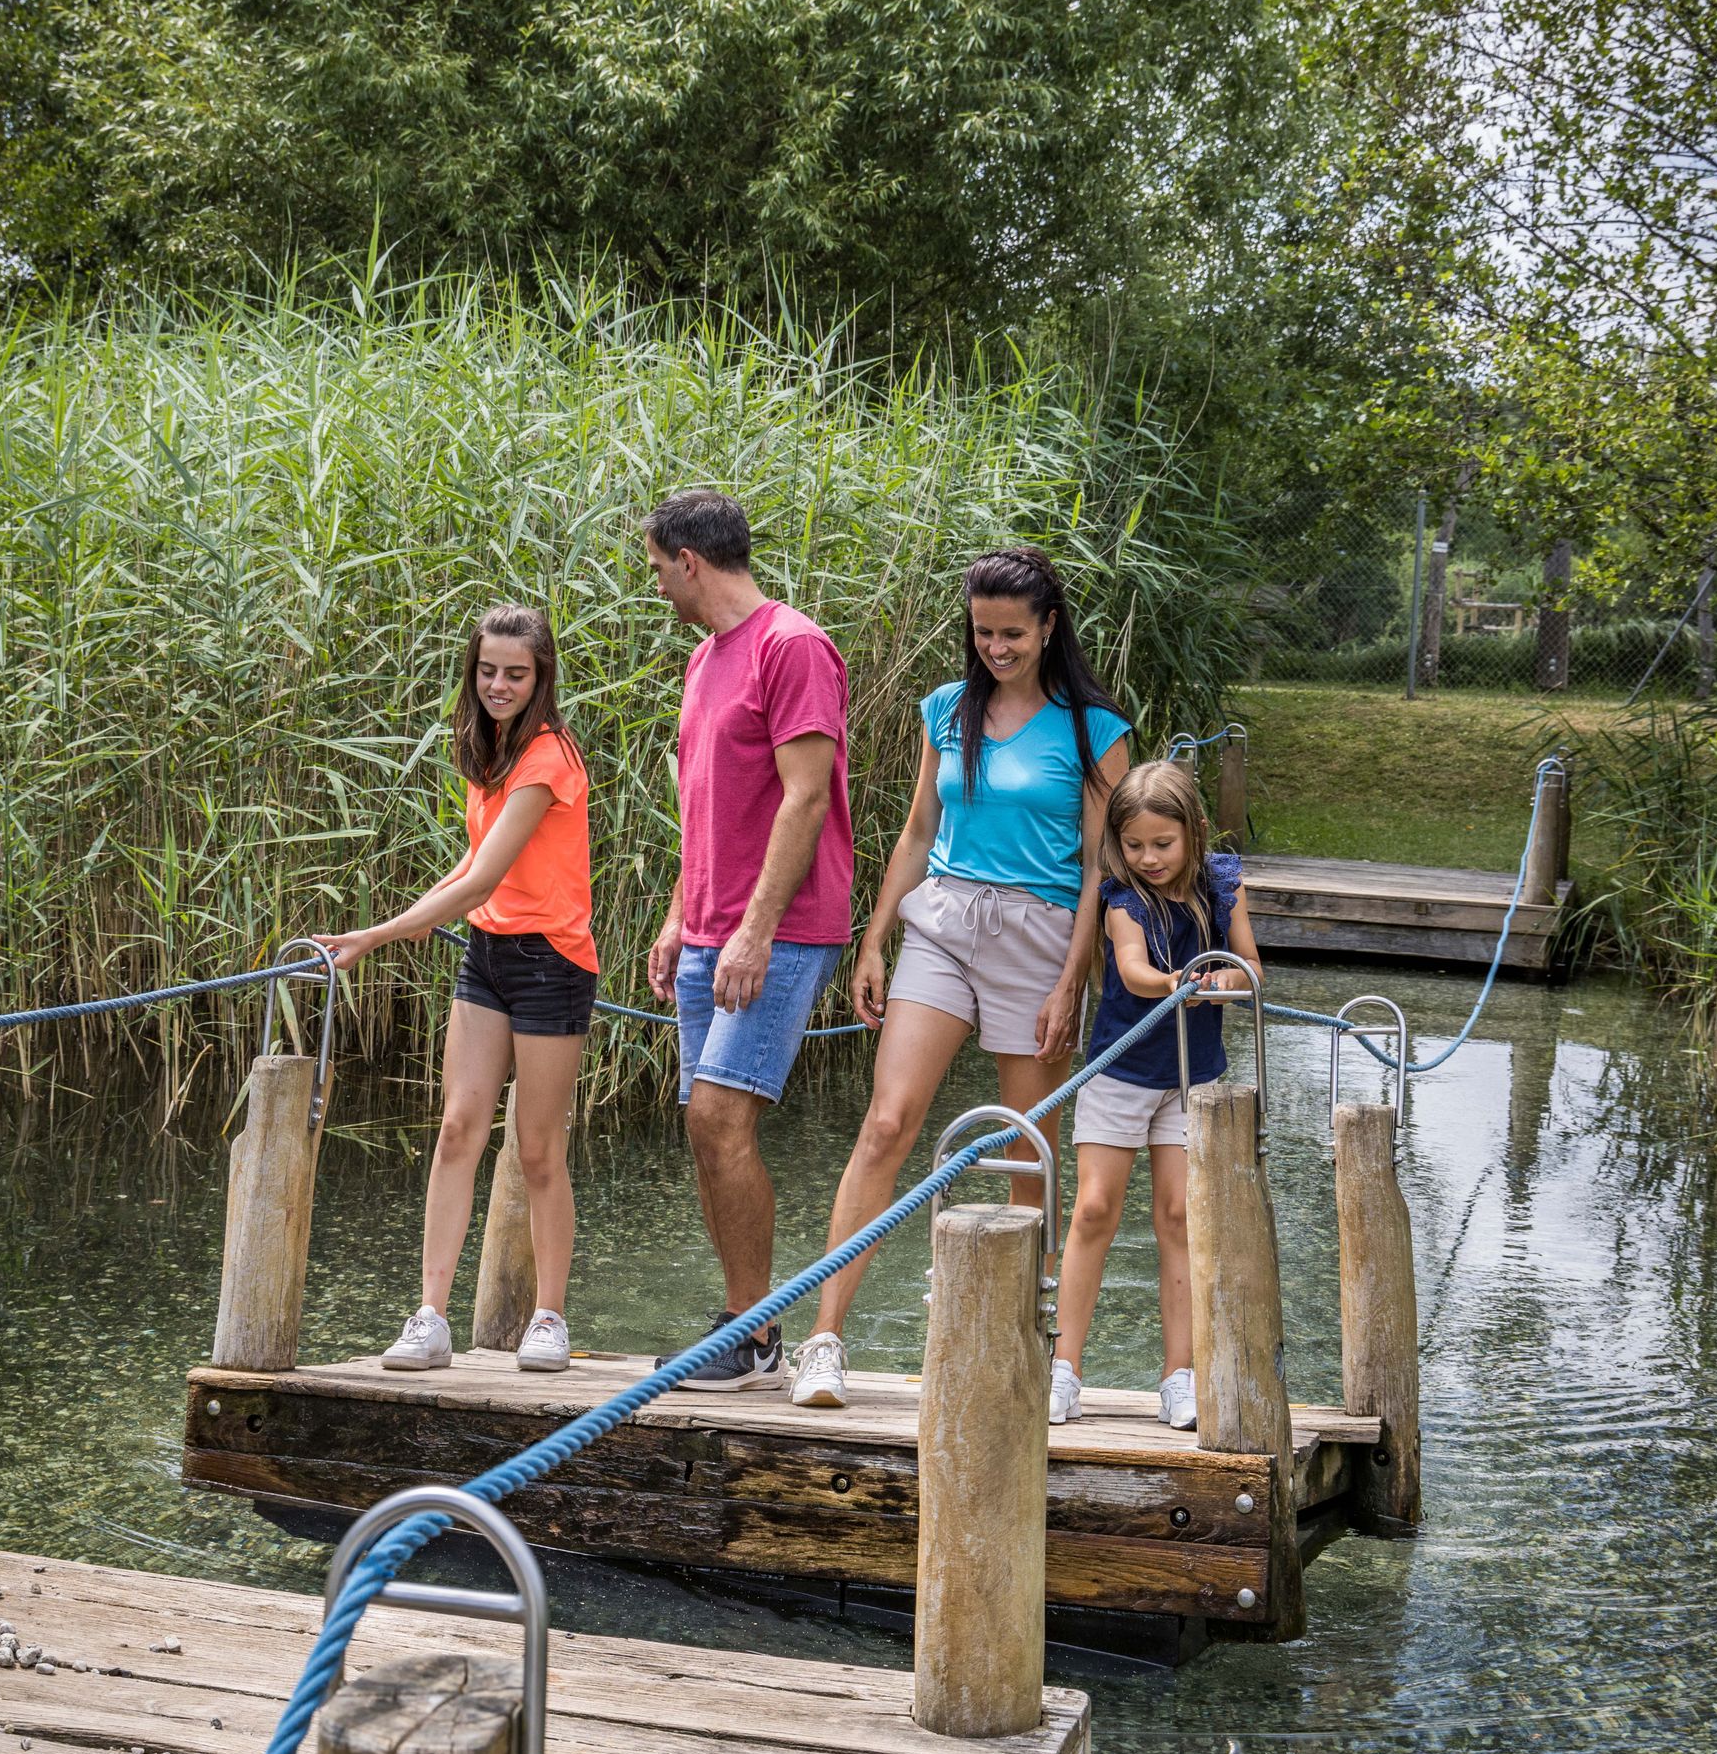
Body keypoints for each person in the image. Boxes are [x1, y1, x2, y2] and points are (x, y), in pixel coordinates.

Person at [789, 547, 1129, 1410]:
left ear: (1049, 626)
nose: (996, 648)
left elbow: (1103, 867)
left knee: (1026, 1147)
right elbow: (914, 832)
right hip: (941, 924)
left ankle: (1024, 1347)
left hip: (1040, 935)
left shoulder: (1095, 728)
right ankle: (824, 1339)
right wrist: (873, 940)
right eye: (982, 632)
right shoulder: (947, 708)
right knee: (888, 1122)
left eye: (1013, 633)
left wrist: (1070, 980)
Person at [315, 605, 596, 1375]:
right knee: (457, 1127)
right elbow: (470, 870)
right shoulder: (488, 749)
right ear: (472, 673)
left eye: (516, 672)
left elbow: (484, 877)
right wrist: (396, 921)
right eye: (488, 670)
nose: (500, 684)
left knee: (537, 1150)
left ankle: (548, 1316)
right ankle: (431, 1315)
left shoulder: (548, 756)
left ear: (541, 677)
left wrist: (379, 934)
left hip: (552, 963)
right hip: (487, 955)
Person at [644, 489, 853, 1387]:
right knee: (705, 1126)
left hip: (780, 930)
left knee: (722, 1117)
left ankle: (756, 1333)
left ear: (689, 559)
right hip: (708, 931)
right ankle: (744, 1322)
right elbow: (708, 808)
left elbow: (806, 797)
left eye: (656, 567)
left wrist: (753, 932)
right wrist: (678, 917)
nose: (655, 585)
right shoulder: (705, 659)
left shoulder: (790, 645)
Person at [1050, 758, 1261, 1433]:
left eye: (1163, 845)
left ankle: (1179, 1374)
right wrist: (1181, 981)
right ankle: (1064, 1367)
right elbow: (1135, 969)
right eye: (1135, 845)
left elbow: (1252, 965)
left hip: (1191, 1076)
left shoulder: (1223, 885)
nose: (1149, 858)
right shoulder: (1123, 896)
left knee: (1178, 1216)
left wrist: (1226, 980)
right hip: (1120, 1073)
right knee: (1093, 1209)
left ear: (1195, 832)